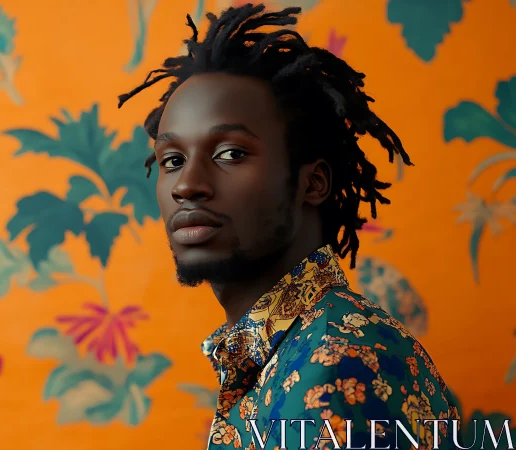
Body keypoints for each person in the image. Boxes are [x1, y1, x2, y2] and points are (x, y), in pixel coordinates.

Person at [118, 4, 460, 449]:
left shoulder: (341, 363)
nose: (187, 185)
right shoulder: (286, 353)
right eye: (172, 160)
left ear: (311, 183)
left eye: (230, 154)